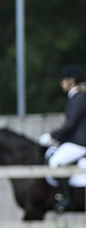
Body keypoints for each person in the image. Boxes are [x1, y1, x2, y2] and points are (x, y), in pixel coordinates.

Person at [39, 63, 86, 213]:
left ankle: (66, 199)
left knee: (55, 161)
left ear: (71, 81)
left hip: (79, 143)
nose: (61, 83)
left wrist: (52, 136)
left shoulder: (78, 98)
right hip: (74, 141)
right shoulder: (76, 97)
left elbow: (71, 124)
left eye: (63, 80)